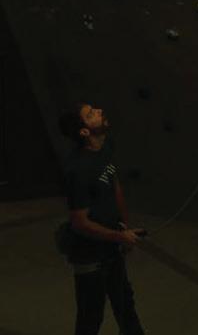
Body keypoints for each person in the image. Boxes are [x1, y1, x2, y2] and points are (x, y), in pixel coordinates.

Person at [58, 102, 147, 335]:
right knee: (90, 318)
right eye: (91, 114)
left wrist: (124, 229)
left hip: (112, 248)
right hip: (90, 258)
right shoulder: (77, 170)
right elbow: (80, 222)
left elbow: (114, 186)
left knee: (126, 308)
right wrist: (119, 237)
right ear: (84, 131)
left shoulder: (106, 147)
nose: (98, 111)